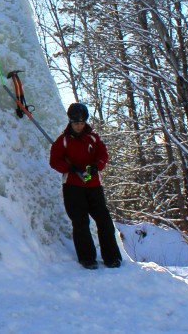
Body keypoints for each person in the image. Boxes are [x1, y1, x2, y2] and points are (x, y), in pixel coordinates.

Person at [49, 102, 123, 269]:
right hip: (73, 187)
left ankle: (112, 257)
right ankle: (87, 258)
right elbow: (54, 161)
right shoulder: (63, 141)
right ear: (70, 122)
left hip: (94, 186)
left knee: (104, 221)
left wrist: (96, 166)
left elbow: (103, 154)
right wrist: (69, 168)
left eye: (82, 123)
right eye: (76, 123)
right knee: (80, 222)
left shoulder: (94, 138)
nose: (79, 126)